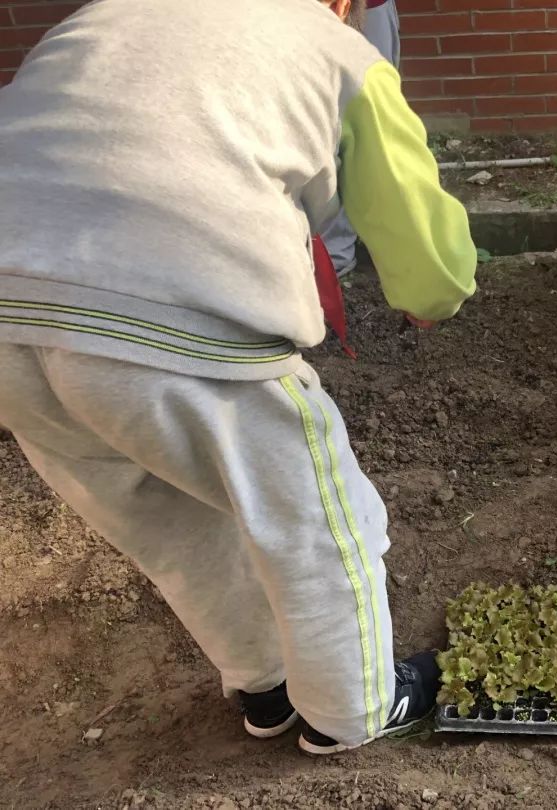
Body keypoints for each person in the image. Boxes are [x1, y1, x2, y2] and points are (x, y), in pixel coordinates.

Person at [0, 0, 476, 754]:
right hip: (179, 304)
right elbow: (433, 268)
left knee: (167, 520)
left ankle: (266, 685)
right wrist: (432, 296)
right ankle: (355, 710)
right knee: (319, 521)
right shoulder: (336, 49)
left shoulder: (104, 16)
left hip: (7, 324)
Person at [321, 0, 402, 276]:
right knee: (322, 122)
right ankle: (333, 253)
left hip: (368, 8)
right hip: (297, 13)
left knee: (376, 120)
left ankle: (387, 244)